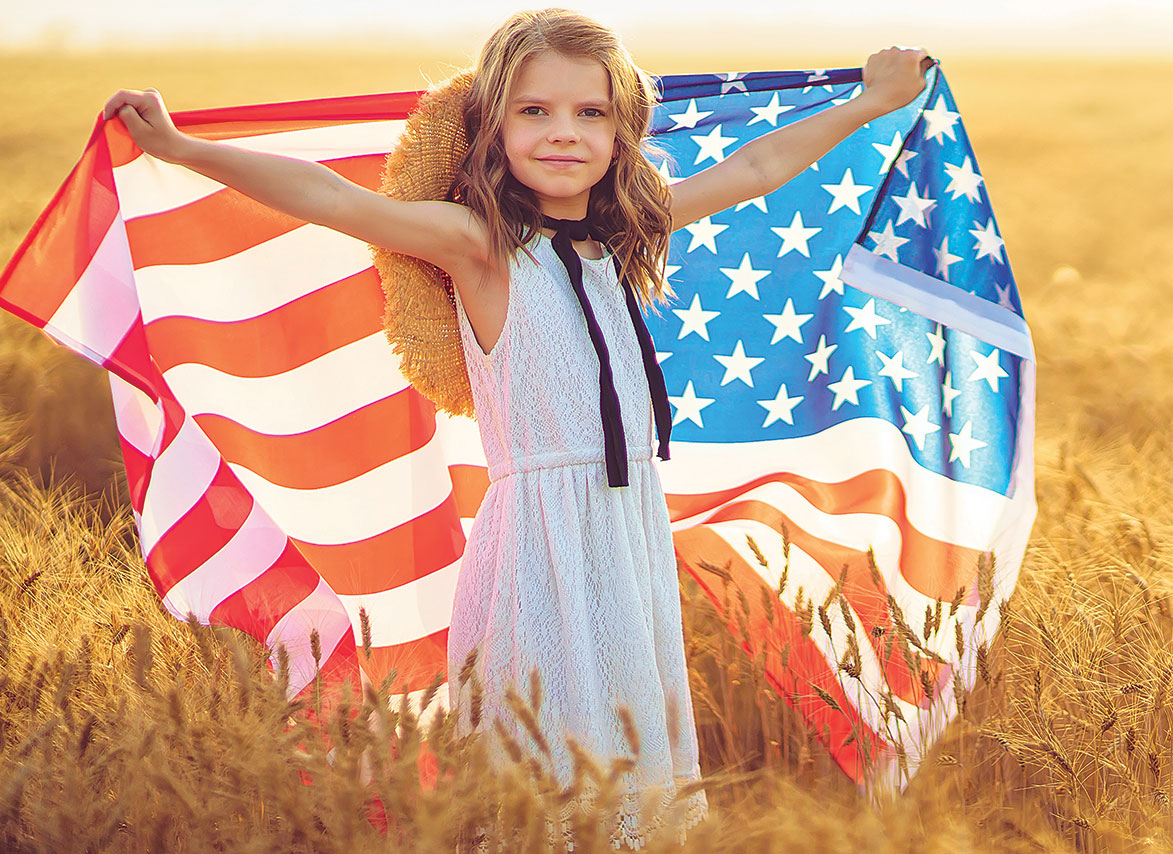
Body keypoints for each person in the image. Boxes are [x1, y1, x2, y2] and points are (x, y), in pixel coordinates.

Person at [103, 7, 930, 850]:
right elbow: (330, 199)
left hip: (622, 529)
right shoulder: (481, 248)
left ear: (620, 130)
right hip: (539, 546)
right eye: (533, 111)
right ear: (492, 129)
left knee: (630, 740)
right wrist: (183, 148)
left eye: (590, 113)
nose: (562, 133)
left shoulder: (626, 234)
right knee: (545, 756)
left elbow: (756, 165)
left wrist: (870, 101)